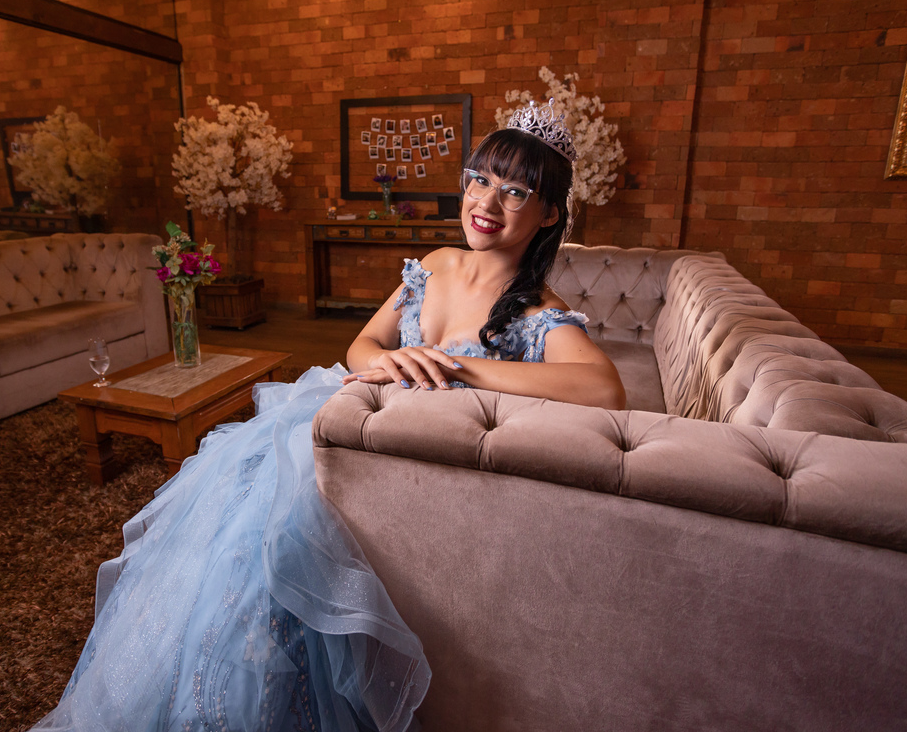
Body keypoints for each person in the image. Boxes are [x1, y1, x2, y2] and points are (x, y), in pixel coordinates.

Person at [31, 100, 624, 732]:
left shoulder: (535, 308)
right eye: (479, 179)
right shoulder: (436, 264)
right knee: (242, 501)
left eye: (515, 192)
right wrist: (390, 359)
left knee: (286, 530)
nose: (487, 202)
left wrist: (457, 367)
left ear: (548, 212)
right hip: (352, 411)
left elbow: (605, 389)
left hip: (404, 452)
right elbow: (362, 345)